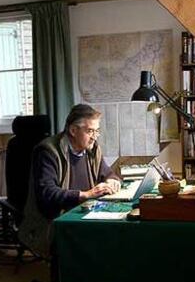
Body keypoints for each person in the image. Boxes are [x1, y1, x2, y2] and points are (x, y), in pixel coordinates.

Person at [19, 103, 121, 257]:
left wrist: (112, 181)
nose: (94, 136)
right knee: (101, 242)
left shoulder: (91, 149)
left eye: (97, 131)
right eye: (90, 131)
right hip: (56, 219)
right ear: (73, 130)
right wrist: (85, 195)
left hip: (84, 213)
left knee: (115, 232)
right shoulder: (48, 151)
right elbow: (47, 193)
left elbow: (107, 173)